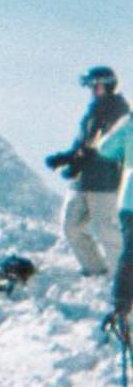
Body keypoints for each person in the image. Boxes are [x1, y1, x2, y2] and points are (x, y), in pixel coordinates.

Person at [47, 67, 129, 276]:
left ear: (104, 85)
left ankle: (124, 278)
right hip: (82, 181)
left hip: (105, 181)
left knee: (106, 230)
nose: (92, 90)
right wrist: (66, 158)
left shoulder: (117, 110)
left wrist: (78, 161)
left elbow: (105, 146)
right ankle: (95, 269)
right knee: (71, 227)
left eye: (94, 86)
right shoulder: (93, 110)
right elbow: (83, 144)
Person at [95, 110, 133, 328]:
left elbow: (105, 148)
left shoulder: (129, 126)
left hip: (129, 201)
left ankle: (122, 303)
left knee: (130, 253)